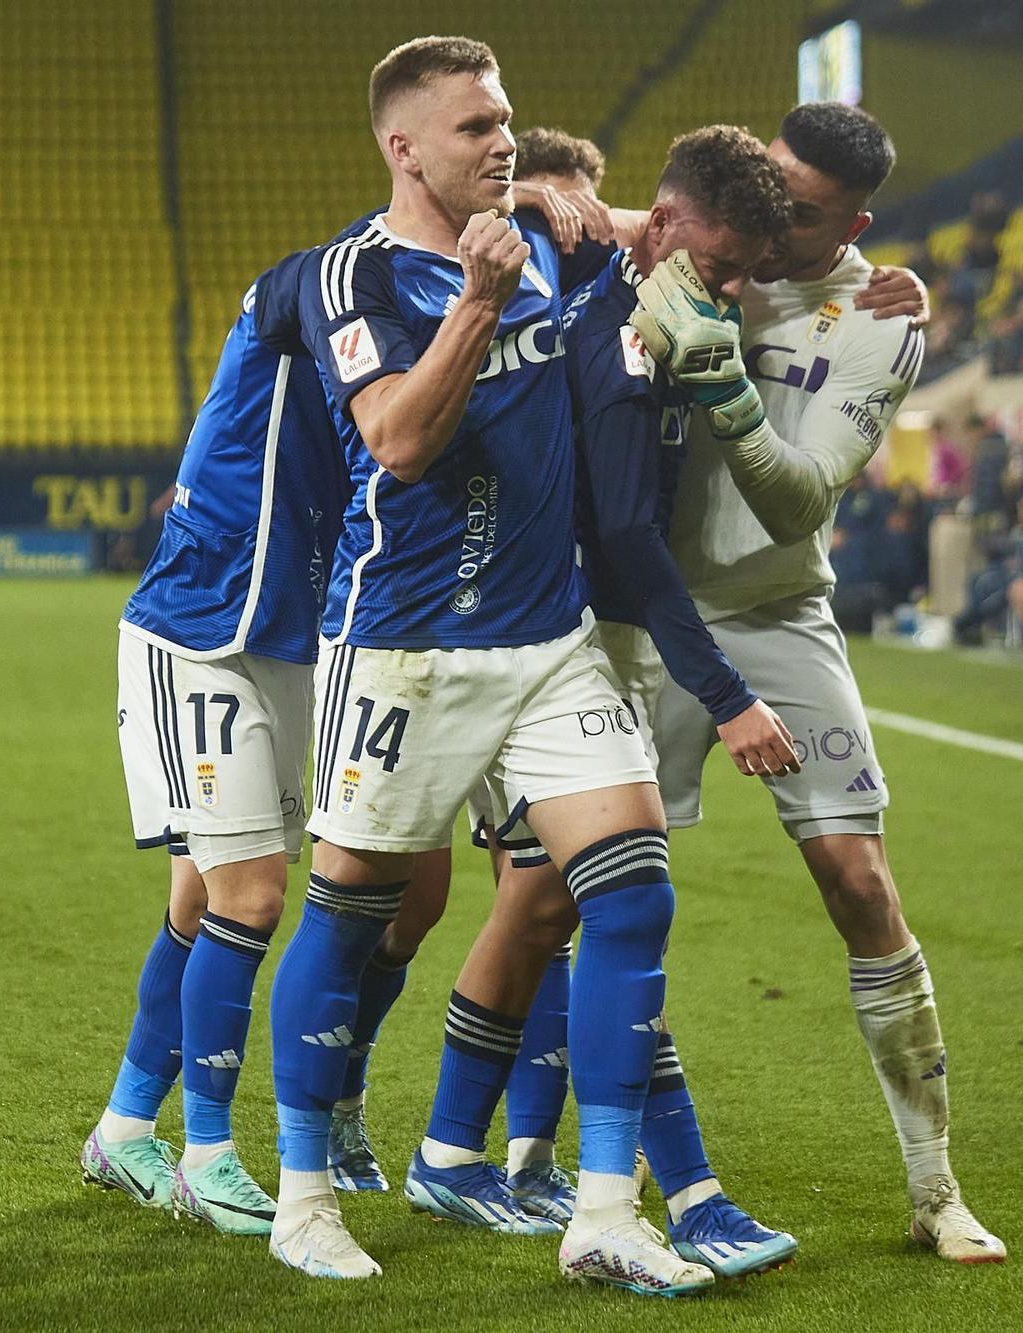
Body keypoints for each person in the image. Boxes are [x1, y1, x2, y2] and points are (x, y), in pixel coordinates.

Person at [273, 36, 708, 1292]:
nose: (500, 141)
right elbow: (398, 442)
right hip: (404, 648)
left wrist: (848, 273)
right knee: (352, 911)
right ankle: (306, 1194)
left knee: (630, 894)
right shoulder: (349, 276)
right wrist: (475, 299)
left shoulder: (546, 231)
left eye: (505, 119)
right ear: (401, 147)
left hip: (552, 642)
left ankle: (607, 1213)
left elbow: (679, 232)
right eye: (471, 128)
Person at [408, 123, 807, 1279]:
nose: (733, 292)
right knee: (599, 905)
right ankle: (674, 1193)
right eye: (724, 268)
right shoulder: (619, 334)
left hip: (558, 637)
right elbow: (629, 534)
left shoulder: (636, 282)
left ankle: (469, 1152)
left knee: (542, 914)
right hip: (557, 644)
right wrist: (725, 694)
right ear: (676, 230)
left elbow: (638, 227)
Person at [630, 99, 1007, 1263]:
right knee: (582, 895)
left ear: (853, 220)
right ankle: (577, 1168)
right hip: (638, 617)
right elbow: (588, 204)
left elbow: (800, 497)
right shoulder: (703, 250)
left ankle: (936, 1189)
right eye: (761, 195)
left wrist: (725, 392)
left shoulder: (880, 320)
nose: (763, 224)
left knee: (859, 880)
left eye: (792, 211)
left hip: (777, 615)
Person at [90, 232, 455, 1235]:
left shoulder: (431, 335)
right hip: (198, 630)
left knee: (201, 897)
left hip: (296, 641)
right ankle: (204, 1151)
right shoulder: (320, 282)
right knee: (249, 894)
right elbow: (302, 286)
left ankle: (124, 1126)